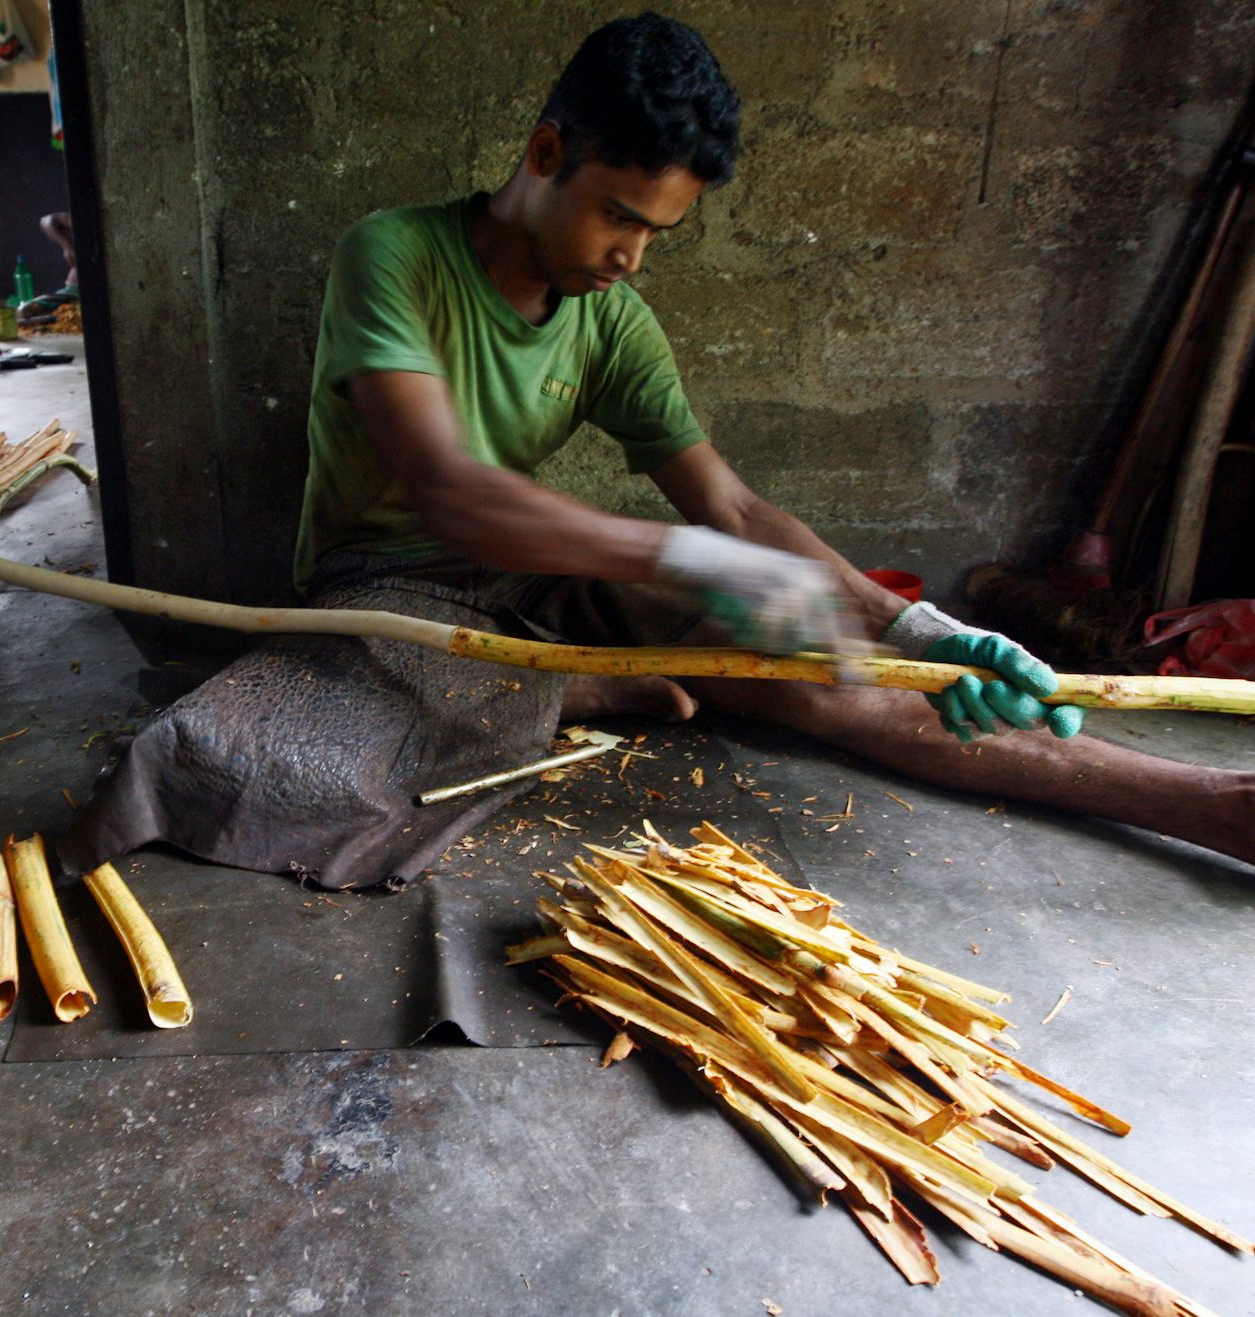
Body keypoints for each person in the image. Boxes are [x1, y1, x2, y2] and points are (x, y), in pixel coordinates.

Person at [291, 12, 1252, 865]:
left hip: (532, 581)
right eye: (618, 216)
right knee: (321, 709)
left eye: (656, 233)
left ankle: (1214, 805)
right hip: (381, 584)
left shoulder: (611, 317)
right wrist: (704, 563)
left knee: (816, 661)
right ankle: (595, 685)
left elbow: (733, 506)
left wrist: (917, 629)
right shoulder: (393, 255)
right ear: (545, 155)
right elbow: (450, 489)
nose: (630, 258)